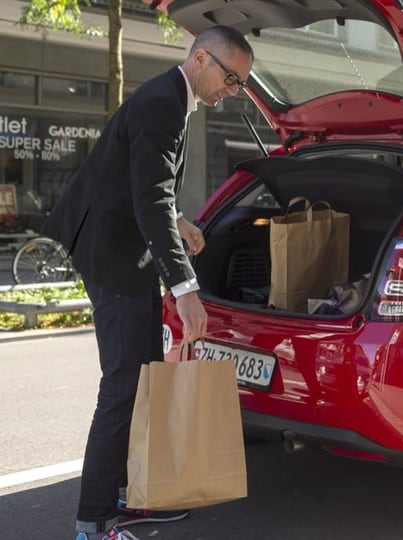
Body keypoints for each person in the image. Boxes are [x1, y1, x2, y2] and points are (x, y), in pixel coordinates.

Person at [42, 26, 254, 540]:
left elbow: (144, 185)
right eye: (230, 77)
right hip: (114, 258)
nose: (233, 90)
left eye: (241, 84)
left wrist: (179, 221)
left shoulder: (171, 99)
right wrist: (185, 287)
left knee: (138, 381)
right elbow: (149, 199)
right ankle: (93, 523)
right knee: (122, 388)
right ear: (201, 57)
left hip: (118, 248)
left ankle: (122, 493)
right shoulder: (163, 101)